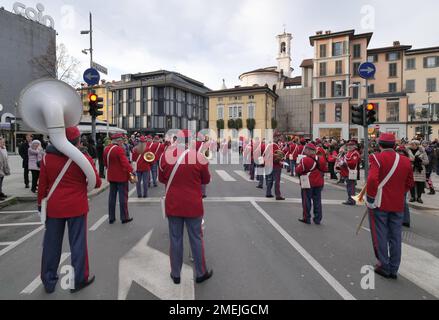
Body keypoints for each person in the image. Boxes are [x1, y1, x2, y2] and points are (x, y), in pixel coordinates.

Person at [38, 127, 102, 294]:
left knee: (51, 245)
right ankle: (79, 279)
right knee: (78, 243)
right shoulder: (83, 158)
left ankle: (48, 281)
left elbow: (42, 186)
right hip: (77, 206)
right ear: (77, 141)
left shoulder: (47, 158)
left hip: (54, 207)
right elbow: (96, 183)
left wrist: (40, 206)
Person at [159, 129, 213, 285]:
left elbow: (162, 179)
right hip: (193, 206)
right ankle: (200, 273)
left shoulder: (165, 156)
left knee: (175, 239)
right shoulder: (198, 157)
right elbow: (206, 180)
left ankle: (175, 274)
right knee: (196, 239)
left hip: (173, 204)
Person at [366, 133, 414, 279]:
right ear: (394, 145)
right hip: (397, 203)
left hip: (379, 202)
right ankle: (394, 268)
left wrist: (370, 197)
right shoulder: (406, 161)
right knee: (395, 236)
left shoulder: (376, 157)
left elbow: (373, 179)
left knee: (380, 233)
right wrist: (399, 193)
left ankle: (384, 265)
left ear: (380, 144)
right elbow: (410, 183)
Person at [104, 133, 136, 225]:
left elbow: (105, 163)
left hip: (111, 176)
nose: (122, 142)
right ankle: (124, 217)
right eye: (121, 140)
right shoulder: (119, 149)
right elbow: (125, 163)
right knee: (123, 198)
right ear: (118, 141)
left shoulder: (106, 149)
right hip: (121, 177)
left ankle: (111, 217)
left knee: (112, 198)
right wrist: (132, 171)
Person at [295, 143, 328, 225]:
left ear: (309, 150)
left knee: (306, 201)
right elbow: (325, 169)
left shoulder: (305, 160)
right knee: (317, 201)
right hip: (319, 182)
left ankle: (306, 218)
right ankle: (317, 219)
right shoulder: (321, 159)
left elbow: (298, 170)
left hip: (308, 182)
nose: (305, 151)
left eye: (306, 149)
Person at [341, 141, 361, 206]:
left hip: (351, 172)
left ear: (354, 146)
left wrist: (344, 163)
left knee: (351, 187)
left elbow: (353, 163)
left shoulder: (355, 153)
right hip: (347, 172)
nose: (349, 146)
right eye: (348, 145)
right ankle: (350, 199)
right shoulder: (349, 152)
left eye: (351, 145)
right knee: (349, 187)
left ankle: (351, 200)